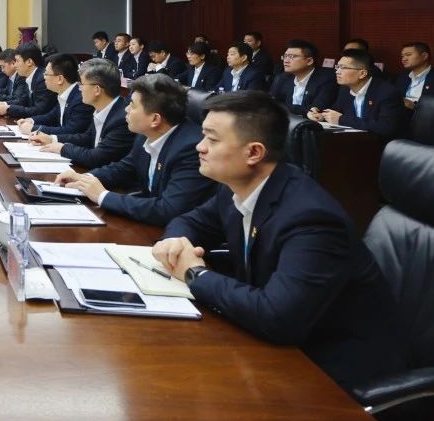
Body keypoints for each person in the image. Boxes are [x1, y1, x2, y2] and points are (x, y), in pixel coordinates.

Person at [153, 91, 403, 391]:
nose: (199, 146)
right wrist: (175, 242)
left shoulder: (312, 219)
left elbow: (278, 317)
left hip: (332, 371)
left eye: (212, 139)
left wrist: (196, 274)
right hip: (273, 343)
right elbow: (191, 221)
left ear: (254, 153)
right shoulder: (236, 186)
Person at [59, 74, 214, 226]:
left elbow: (168, 209)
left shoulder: (191, 149)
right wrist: (84, 178)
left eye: (132, 105)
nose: (126, 109)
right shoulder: (145, 134)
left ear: (155, 119)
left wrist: (102, 196)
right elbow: (125, 168)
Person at [29, 58, 134, 169]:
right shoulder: (103, 108)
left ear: (97, 90)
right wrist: (52, 139)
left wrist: (62, 148)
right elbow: (87, 138)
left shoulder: (122, 119)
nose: (79, 89)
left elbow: (97, 157)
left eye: (82, 84)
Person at [308, 48, 405, 138]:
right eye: (337, 67)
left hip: (380, 144)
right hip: (354, 140)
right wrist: (322, 116)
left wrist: (341, 119)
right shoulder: (345, 89)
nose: (337, 71)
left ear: (362, 73)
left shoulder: (387, 93)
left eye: (343, 68)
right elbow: (337, 110)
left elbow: (386, 127)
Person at [15, 53, 92, 137]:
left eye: (46, 74)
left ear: (60, 79)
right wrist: (31, 120)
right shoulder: (65, 93)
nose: (44, 77)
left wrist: (34, 128)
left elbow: (71, 130)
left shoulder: (81, 99)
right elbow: (52, 116)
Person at [268, 40, 336, 115]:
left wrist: (285, 107)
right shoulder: (282, 77)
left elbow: (316, 109)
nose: (286, 61)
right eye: (285, 56)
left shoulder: (326, 79)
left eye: (292, 57)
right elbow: (271, 103)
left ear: (309, 61)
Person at [0, 44, 55, 120]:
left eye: (17, 61)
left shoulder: (42, 79)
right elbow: (23, 100)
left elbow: (40, 110)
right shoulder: (30, 76)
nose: (15, 65)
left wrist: (8, 109)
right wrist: (4, 104)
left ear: (29, 62)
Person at [395, 41, 434, 110]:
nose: (404, 59)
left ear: (424, 56)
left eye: (408, 55)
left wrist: (414, 106)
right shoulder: (402, 76)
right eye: (402, 56)